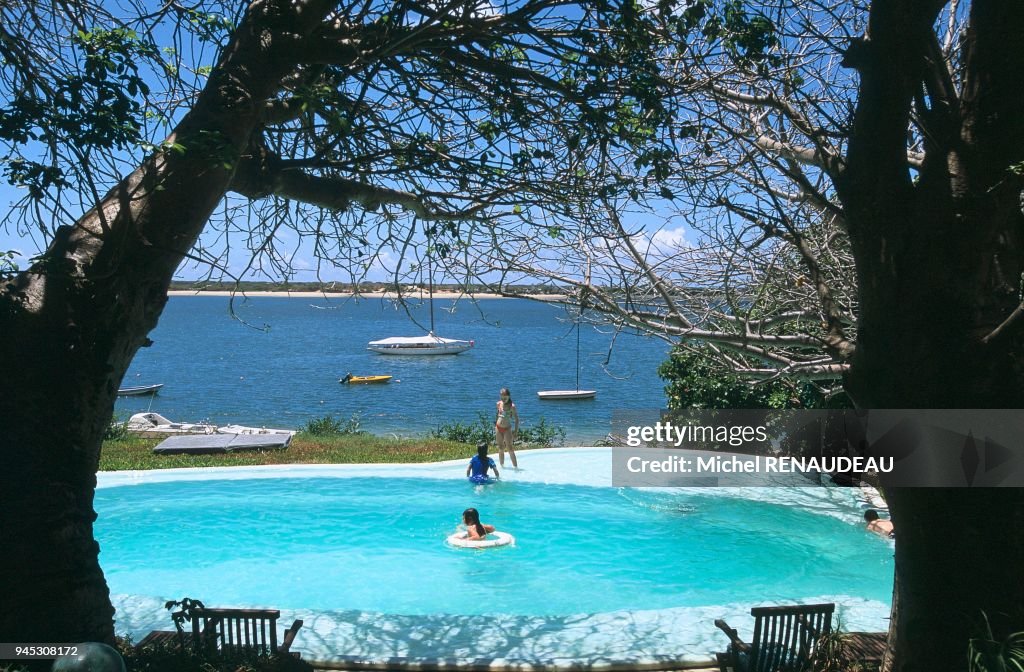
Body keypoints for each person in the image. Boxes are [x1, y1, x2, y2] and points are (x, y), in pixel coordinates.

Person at [495, 387, 520, 468]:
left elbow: (516, 420)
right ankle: (502, 466)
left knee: (510, 448)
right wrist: (495, 424)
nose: (503, 399)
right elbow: (497, 415)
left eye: (505, 397)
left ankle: (516, 467)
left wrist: (515, 432)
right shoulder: (498, 404)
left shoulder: (512, 406)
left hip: (507, 429)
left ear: (509, 396)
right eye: (502, 397)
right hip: (498, 427)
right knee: (501, 447)